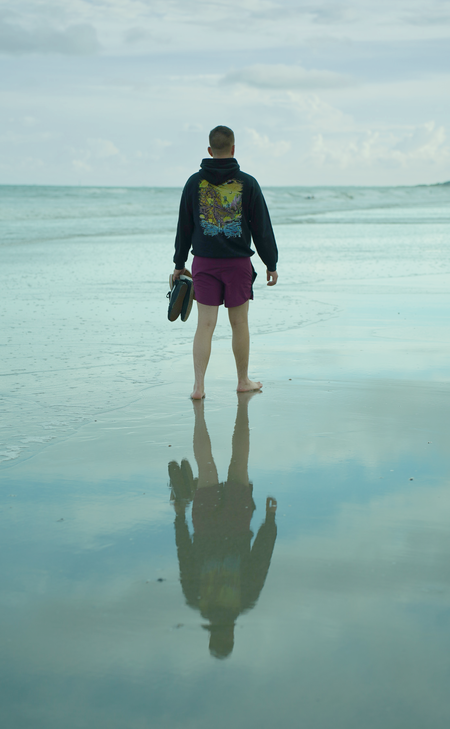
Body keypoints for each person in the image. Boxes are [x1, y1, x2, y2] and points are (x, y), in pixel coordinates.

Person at [169, 392, 278, 659]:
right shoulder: (196, 600)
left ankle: (210, 416)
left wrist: (270, 522)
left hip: (236, 521)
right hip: (205, 524)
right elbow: (185, 556)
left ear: (229, 634)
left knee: (239, 462)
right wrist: (181, 517)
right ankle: (199, 418)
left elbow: (261, 559)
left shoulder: (244, 600)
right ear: (211, 636)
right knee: (206, 466)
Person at [172, 126, 278, 399]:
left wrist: (178, 263)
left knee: (205, 325)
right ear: (233, 149)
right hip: (237, 263)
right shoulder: (248, 183)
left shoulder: (194, 183)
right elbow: (261, 228)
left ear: (209, 150)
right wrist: (271, 262)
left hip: (204, 263)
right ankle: (243, 380)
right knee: (239, 323)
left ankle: (198, 387)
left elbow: (184, 226)